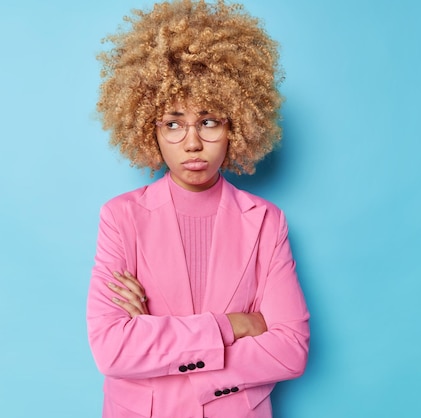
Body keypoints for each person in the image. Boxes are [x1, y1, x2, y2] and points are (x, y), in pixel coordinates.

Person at [86, 1, 310, 417]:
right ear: (146, 127)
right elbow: (111, 349)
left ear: (236, 124)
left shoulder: (265, 222)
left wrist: (155, 339)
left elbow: (290, 350)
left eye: (209, 121)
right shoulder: (121, 218)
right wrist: (233, 326)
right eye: (173, 123)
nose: (192, 143)